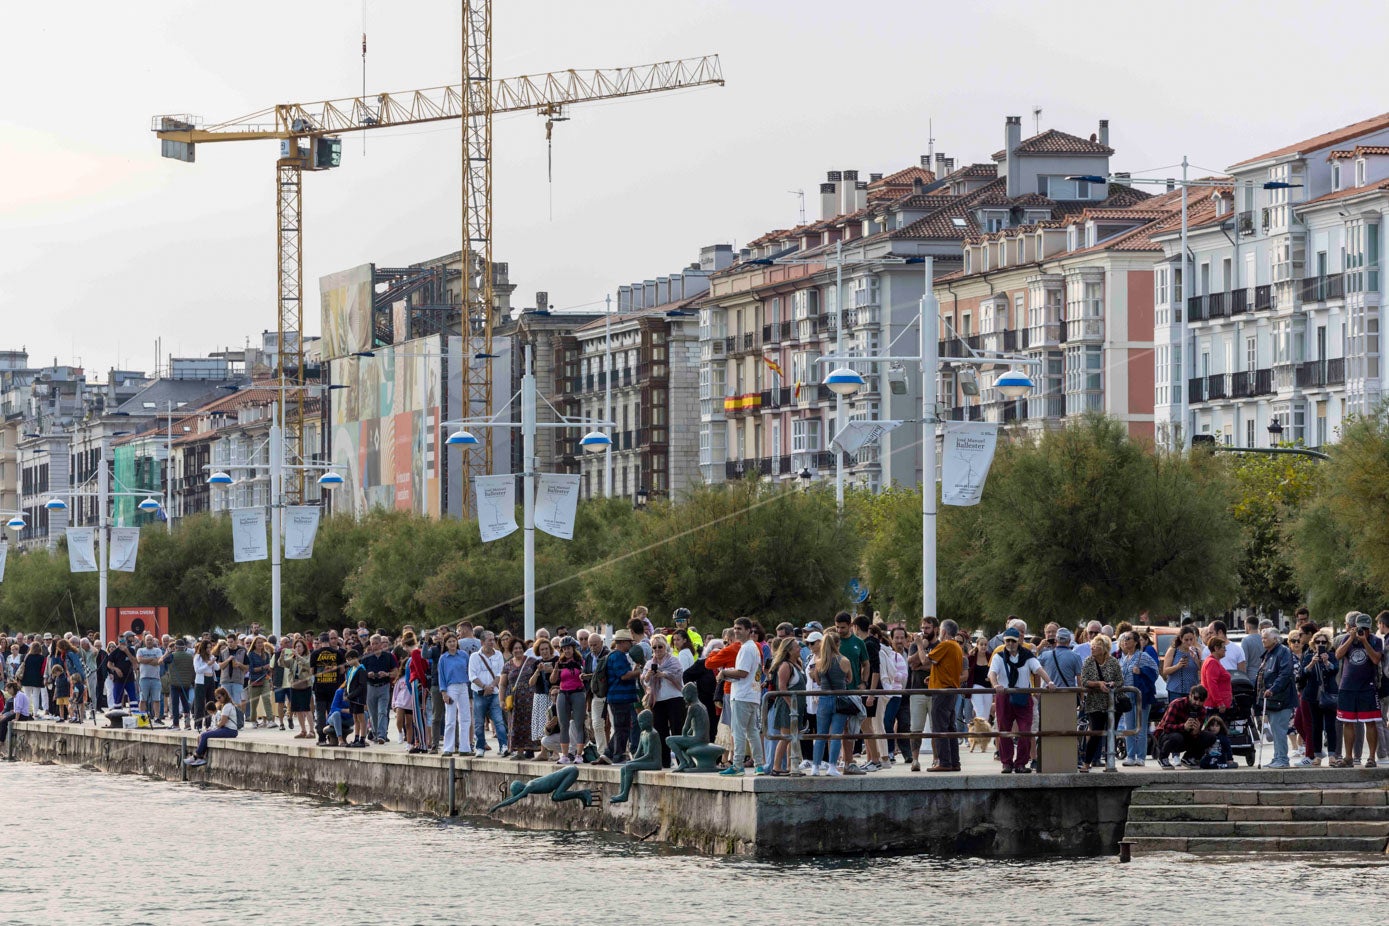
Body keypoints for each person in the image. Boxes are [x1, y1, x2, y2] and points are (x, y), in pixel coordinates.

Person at [988, 628, 1052, 774]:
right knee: (1004, 731)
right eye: (1007, 641)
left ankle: (1021, 763)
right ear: (1004, 641)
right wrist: (995, 685)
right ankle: (1007, 763)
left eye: (1013, 641)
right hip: (1004, 697)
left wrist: (1049, 682)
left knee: (1025, 731)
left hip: (1023, 697)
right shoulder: (999, 656)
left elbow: (1039, 669)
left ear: (1019, 642)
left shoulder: (1027, 656)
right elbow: (992, 673)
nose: (1010, 643)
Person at [1332, 612, 1382, 768]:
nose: (1363, 631)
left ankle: (1371, 757)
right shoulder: (1348, 638)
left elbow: (1375, 659)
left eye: (1366, 629)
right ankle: (1348, 757)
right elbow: (1338, 655)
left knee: (1370, 723)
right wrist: (1352, 638)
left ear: (1370, 629)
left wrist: (1364, 641)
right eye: (1361, 628)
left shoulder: (1375, 640)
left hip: (1367, 687)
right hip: (1347, 687)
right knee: (1347, 722)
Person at [717, 617, 766, 776]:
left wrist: (724, 672)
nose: (736, 631)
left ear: (748, 630)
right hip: (752, 695)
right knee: (752, 733)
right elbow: (748, 674)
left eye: (739, 629)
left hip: (742, 696)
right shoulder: (754, 648)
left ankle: (737, 765)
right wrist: (729, 674)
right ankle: (759, 765)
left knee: (738, 732)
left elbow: (743, 673)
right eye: (735, 628)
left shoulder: (746, 648)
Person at [809, 631, 852, 777]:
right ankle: (832, 766)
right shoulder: (844, 660)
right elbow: (850, 679)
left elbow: (818, 682)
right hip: (840, 699)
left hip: (824, 699)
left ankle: (815, 766)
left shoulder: (819, 663)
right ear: (837, 644)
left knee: (821, 734)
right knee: (836, 734)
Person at [1078, 635, 1124, 772]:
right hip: (1095, 703)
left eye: (1096, 646)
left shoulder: (1113, 662)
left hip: (1112, 703)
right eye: (1092, 645)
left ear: (1104, 648)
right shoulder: (1088, 661)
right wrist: (1098, 684)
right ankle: (1087, 762)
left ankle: (1109, 762)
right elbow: (1084, 681)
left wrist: (1113, 684)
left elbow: (1121, 681)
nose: (1092, 648)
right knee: (1095, 732)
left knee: (1111, 732)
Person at [924, 619, 965, 773]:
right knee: (950, 727)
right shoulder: (956, 646)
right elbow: (947, 668)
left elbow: (926, 660)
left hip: (942, 692)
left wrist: (921, 646)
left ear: (943, 632)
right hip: (951, 689)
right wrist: (933, 677)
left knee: (940, 726)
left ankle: (945, 762)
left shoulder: (946, 644)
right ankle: (954, 762)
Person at [1255, 626, 1297, 769]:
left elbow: (1285, 674)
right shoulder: (1269, 653)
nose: (1263, 640)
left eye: (1265, 637)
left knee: (1279, 729)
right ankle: (1277, 757)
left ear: (1275, 639)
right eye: (1262, 637)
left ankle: (1283, 759)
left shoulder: (1283, 652)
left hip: (1282, 698)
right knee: (1275, 728)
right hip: (1273, 699)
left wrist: (1273, 689)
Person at [641, 635, 684, 769]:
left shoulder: (674, 661)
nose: (657, 649)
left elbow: (678, 675)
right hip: (657, 700)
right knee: (660, 731)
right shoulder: (649, 663)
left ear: (666, 647)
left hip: (675, 698)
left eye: (660, 646)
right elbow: (644, 682)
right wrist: (647, 676)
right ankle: (664, 761)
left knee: (677, 730)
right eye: (654, 647)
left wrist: (664, 674)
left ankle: (682, 760)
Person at [765, 637, 805, 775]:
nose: (799, 648)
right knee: (785, 737)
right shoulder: (785, 666)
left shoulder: (798, 664)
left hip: (797, 706)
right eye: (796, 647)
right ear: (788, 650)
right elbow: (782, 687)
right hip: (787, 706)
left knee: (793, 737)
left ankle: (790, 766)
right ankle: (776, 767)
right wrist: (791, 706)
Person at [1117, 631, 1158, 767]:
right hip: (1127, 696)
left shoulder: (1143, 656)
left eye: (1128, 639)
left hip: (1141, 696)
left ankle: (1140, 757)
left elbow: (1155, 671)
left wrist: (1141, 671)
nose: (1125, 641)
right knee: (1129, 727)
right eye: (1123, 639)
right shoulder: (1123, 658)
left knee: (1140, 727)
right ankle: (1130, 756)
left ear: (1135, 642)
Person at [1298, 630, 1338, 766]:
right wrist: (1311, 664)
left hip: (1329, 695)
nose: (1320, 644)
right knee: (1316, 726)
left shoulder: (1331, 656)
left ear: (1327, 644)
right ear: (1313, 643)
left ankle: (1332, 755)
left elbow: (1335, 670)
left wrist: (1326, 662)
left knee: (1331, 726)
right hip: (1312, 696)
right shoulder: (1308, 656)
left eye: (1323, 642)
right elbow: (1301, 675)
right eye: (1318, 642)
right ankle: (1317, 755)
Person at [604, 630, 642, 763]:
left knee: (622, 726)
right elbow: (624, 675)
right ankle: (618, 756)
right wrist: (639, 672)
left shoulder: (613, 655)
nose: (631, 645)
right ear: (623, 642)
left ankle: (608, 753)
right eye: (629, 642)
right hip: (620, 697)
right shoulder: (618, 656)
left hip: (618, 697)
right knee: (622, 728)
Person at [1155, 685, 1214, 769]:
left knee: (1210, 736)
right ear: (1190, 695)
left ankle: (1189, 757)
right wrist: (1183, 726)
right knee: (1177, 736)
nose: (1197, 702)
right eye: (1196, 698)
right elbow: (1166, 727)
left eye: (1201, 700)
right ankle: (1163, 757)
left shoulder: (1202, 710)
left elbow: (1197, 735)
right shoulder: (1177, 704)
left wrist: (1196, 732)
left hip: (1186, 737)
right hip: (1167, 736)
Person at [549, 637, 587, 765]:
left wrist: (582, 673)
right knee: (563, 724)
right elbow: (553, 680)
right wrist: (555, 669)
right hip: (563, 693)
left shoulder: (580, 661)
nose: (567, 651)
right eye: (564, 649)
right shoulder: (560, 662)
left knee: (578, 723)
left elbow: (585, 676)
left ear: (573, 648)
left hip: (577, 692)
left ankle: (578, 754)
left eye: (568, 648)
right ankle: (564, 755)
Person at [470, 632, 508, 757]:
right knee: (479, 722)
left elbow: (500, 673)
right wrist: (484, 687)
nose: (492, 642)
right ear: (482, 642)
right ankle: (480, 746)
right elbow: (472, 676)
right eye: (489, 640)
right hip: (479, 693)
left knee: (499, 721)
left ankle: (503, 746)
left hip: (494, 693)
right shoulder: (475, 656)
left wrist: (491, 686)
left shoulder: (498, 655)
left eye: (493, 640)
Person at [438, 632, 474, 757]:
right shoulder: (443, 658)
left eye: (454, 641)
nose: (452, 644)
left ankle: (465, 747)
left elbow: (469, 670)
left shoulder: (463, 655)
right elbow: (441, 676)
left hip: (463, 686)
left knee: (465, 717)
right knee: (450, 718)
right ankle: (448, 748)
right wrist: (444, 692)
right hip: (450, 687)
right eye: (449, 642)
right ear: (446, 644)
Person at [502, 638, 539, 758]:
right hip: (515, 700)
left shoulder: (532, 662)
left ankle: (531, 750)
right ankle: (519, 752)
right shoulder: (507, 665)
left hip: (531, 699)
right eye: (515, 648)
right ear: (511, 650)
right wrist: (501, 700)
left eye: (520, 648)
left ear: (523, 649)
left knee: (531, 724)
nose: (517, 650)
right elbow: (502, 684)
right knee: (516, 725)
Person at [879, 626, 911, 767]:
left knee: (904, 724)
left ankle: (907, 754)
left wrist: (892, 675)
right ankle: (889, 751)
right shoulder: (887, 654)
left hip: (904, 694)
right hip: (890, 694)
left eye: (901, 638)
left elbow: (905, 676)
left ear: (906, 639)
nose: (899, 640)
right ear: (891, 639)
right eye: (896, 638)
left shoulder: (909, 654)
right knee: (887, 722)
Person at [184, 687, 239, 767]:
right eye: (217, 698)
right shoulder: (227, 705)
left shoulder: (227, 706)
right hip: (228, 729)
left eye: (219, 697)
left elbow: (223, 722)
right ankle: (200, 757)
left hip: (230, 730)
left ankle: (195, 756)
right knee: (204, 734)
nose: (218, 699)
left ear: (224, 696)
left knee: (205, 735)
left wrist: (215, 727)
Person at [362, 635, 397, 744]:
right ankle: (376, 733)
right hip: (371, 687)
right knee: (373, 713)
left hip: (384, 686)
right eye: (372, 644)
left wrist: (386, 674)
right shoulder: (366, 657)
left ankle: (382, 734)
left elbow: (396, 672)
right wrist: (368, 674)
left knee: (382, 711)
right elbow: (361, 673)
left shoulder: (388, 656)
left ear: (381, 644)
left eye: (377, 643)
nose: (375, 646)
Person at [310, 634, 343, 744]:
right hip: (333, 686)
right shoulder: (337, 653)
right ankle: (332, 737)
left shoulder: (315, 653)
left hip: (320, 687)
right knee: (332, 712)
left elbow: (311, 672)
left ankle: (322, 738)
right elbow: (342, 670)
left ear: (319, 641)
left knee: (320, 713)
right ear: (329, 640)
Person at [1162, 626, 1202, 704]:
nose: (1189, 642)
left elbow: (1202, 669)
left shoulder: (1196, 651)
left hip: (1192, 690)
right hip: (1175, 690)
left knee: (1191, 715)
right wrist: (1178, 666)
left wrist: (1196, 660)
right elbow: (1165, 671)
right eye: (1186, 640)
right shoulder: (1173, 650)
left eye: (1191, 639)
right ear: (1181, 638)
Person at [283, 638, 314, 739]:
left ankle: (312, 731)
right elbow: (283, 664)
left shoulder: (308, 656)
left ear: (304, 647)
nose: (297, 648)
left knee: (306, 708)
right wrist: (281, 655)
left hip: (305, 685)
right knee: (297, 709)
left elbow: (308, 664)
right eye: (295, 646)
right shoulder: (293, 658)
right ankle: (303, 730)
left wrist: (298, 656)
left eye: (299, 646)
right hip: (295, 685)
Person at [164, 639, 196, 731]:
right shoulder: (190, 656)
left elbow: (161, 661)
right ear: (184, 647)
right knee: (185, 703)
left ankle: (176, 724)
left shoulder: (172, 656)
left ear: (176, 647)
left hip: (174, 683)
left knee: (175, 703)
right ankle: (187, 724)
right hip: (186, 683)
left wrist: (168, 652)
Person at [245, 636, 275, 729]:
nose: (260, 644)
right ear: (255, 644)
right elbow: (251, 669)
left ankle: (270, 720)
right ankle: (254, 720)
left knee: (266, 698)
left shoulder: (266, 654)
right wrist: (263, 667)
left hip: (265, 679)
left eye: (261, 642)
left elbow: (269, 667)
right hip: (254, 680)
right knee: (254, 703)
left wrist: (269, 677)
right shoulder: (250, 654)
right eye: (258, 643)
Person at [135, 634, 165, 723]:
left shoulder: (158, 650)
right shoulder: (140, 650)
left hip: (156, 678)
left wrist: (146, 660)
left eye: (151, 640)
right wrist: (152, 659)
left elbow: (159, 661)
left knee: (156, 699)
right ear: (144, 641)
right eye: (147, 640)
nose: (149, 641)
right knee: (143, 699)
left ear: (153, 641)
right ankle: (142, 718)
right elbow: (139, 660)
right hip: (144, 678)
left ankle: (157, 717)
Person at [1200, 638, 1234, 714]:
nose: (1225, 650)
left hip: (1217, 705)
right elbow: (1212, 684)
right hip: (1215, 706)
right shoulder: (1212, 662)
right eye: (1223, 647)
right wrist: (1220, 703)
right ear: (1216, 648)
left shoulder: (1214, 661)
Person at [343, 648, 368, 747]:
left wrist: (350, 696)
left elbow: (362, 686)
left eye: (349, 659)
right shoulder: (350, 670)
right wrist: (346, 693)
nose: (348, 662)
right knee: (355, 719)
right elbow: (347, 683)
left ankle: (362, 739)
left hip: (358, 698)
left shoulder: (361, 670)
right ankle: (356, 738)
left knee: (361, 718)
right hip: (352, 698)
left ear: (355, 658)